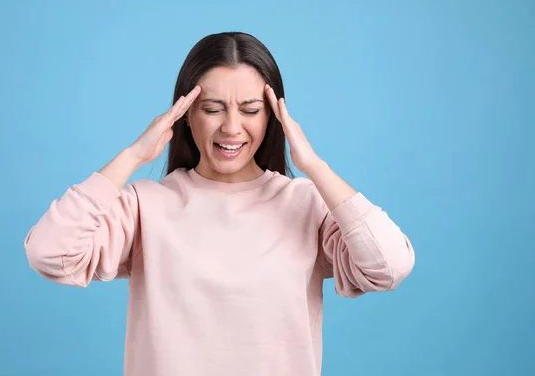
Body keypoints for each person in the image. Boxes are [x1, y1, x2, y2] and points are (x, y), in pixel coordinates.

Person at [24, 31, 415, 376]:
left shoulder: (306, 204)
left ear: (273, 117)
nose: (231, 127)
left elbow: (389, 267)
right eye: (212, 109)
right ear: (186, 115)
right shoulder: (146, 206)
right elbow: (50, 253)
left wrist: (313, 166)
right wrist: (133, 156)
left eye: (250, 110)